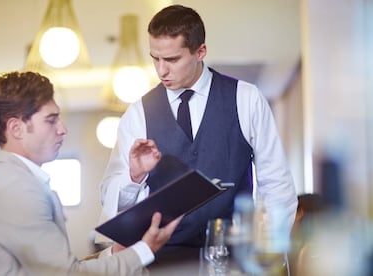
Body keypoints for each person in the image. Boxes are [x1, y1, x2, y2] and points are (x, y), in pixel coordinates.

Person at [98, 4, 297, 249]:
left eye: (172, 59)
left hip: (232, 255)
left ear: (200, 51)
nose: (161, 70)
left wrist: (268, 252)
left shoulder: (246, 99)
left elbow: (276, 184)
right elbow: (111, 200)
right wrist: (134, 176)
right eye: (155, 59)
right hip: (161, 260)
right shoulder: (138, 113)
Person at [0, 71, 181, 276]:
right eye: (51, 120)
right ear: (16, 128)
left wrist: (115, 253)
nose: (62, 129)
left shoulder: (11, 180)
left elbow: (57, 268)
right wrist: (145, 250)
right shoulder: (16, 189)